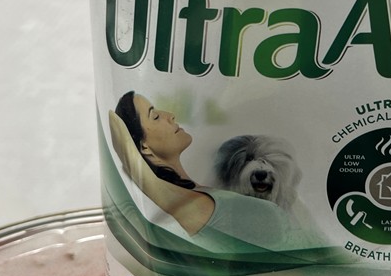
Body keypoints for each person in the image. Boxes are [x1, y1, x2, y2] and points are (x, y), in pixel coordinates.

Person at [109, 91, 309, 250]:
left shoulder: (201, 194)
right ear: (144, 147)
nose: (170, 116)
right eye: (155, 116)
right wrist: (128, 152)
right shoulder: (196, 205)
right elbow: (151, 185)